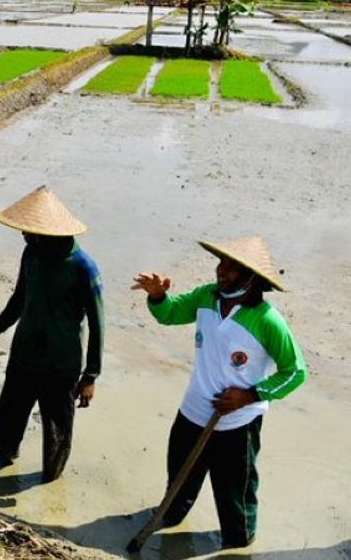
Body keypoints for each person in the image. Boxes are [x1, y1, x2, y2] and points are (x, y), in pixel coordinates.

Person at [133, 235, 306, 549]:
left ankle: (239, 542)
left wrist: (250, 395)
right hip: (193, 411)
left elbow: (295, 372)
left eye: (232, 267)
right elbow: (170, 314)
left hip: (237, 424)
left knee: (234, 498)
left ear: (252, 278)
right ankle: (171, 517)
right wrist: (158, 297)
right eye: (221, 263)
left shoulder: (268, 322)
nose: (221, 270)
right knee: (178, 484)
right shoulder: (206, 298)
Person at [0, 185, 103, 481]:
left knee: (57, 431)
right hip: (25, 355)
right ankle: (7, 460)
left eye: (29, 231)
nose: (23, 235)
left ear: (49, 232)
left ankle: (51, 480)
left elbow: (99, 323)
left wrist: (90, 376)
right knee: (7, 420)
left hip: (61, 365)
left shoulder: (83, 266)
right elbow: (21, 297)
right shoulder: (31, 254)